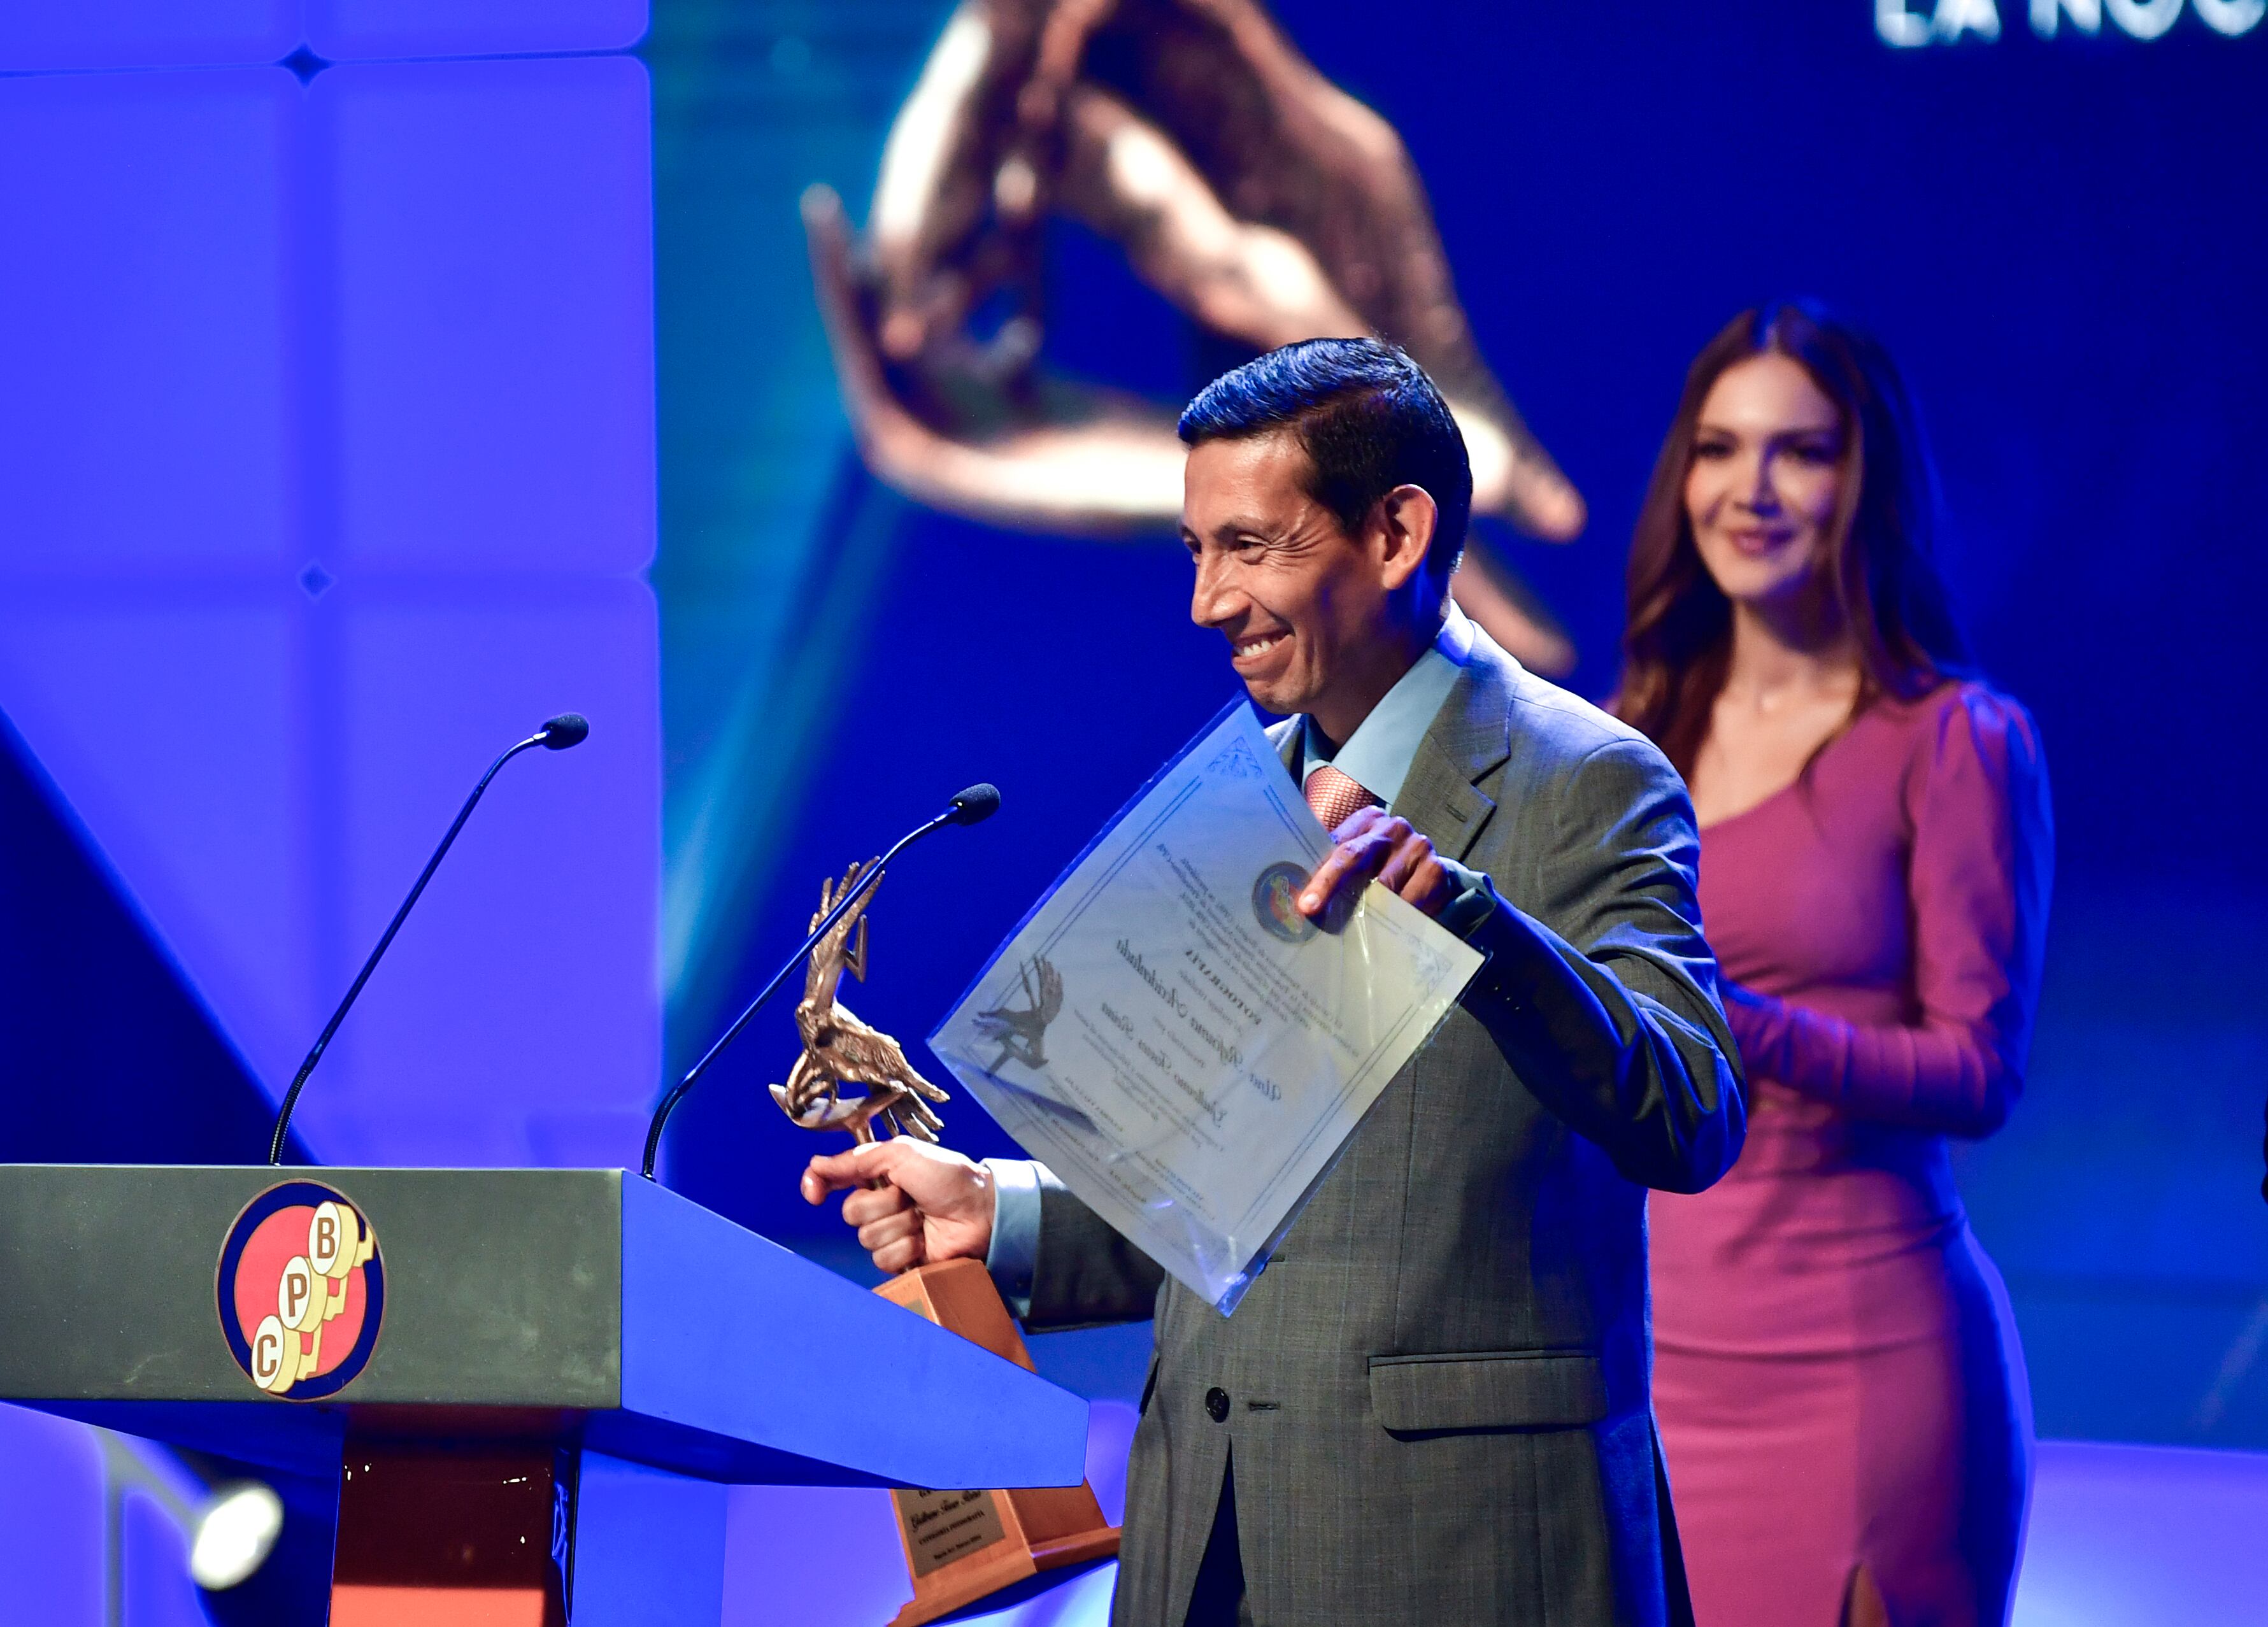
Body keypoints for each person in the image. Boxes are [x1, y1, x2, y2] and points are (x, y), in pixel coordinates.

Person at [802, 337, 1745, 1626]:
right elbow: (1253, 1207)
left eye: (1249, 547)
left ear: (1398, 533)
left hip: (1468, 1562)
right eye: (1196, 552)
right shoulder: (1239, 796)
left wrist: (1469, 919)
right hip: (1206, 1553)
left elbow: (1689, 1112)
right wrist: (995, 1214)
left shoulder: (1586, 780)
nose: (1206, 601)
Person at [1618, 304, 2054, 1627]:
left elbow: (1980, 1073)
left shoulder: (1954, 739)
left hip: (1871, 1367)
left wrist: (1730, 1023)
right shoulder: (1639, 727)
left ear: (1865, 482)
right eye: (1719, 449)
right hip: (1652, 1368)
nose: (1750, 491)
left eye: (1799, 452)